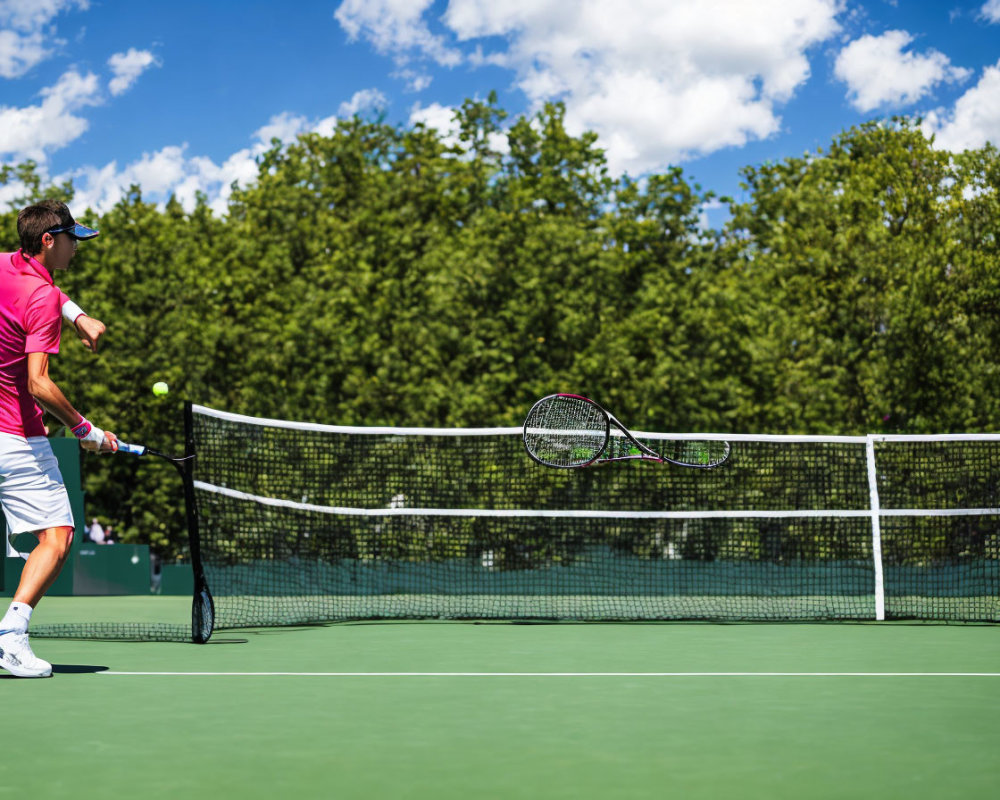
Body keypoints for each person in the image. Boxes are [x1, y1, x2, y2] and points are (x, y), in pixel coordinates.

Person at [0, 200, 118, 678]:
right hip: (15, 437)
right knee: (57, 534)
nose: (76, 248)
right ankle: (11, 636)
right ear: (49, 240)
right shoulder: (43, 299)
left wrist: (79, 315)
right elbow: (38, 383)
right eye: (72, 240)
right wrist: (85, 429)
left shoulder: (7, 267)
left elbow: (43, 286)